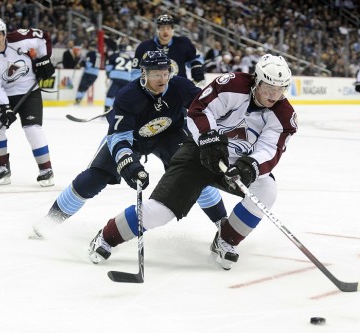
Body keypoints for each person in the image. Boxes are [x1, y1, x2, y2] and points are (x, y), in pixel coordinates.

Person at [88, 54, 297, 270]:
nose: (274, 95)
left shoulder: (284, 116)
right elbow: (200, 109)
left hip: (235, 164)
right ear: (257, 81)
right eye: (269, 88)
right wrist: (208, 138)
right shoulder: (231, 85)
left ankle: (225, 240)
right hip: (198, 154)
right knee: (159, 213)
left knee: (267, 189)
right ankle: (106, 237)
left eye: (280, 89)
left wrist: (250, 166)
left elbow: (270, 149)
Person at [31, 51, 226, 239]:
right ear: (144, 74)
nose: (163, 79)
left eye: (166, 73)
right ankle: (51, 220)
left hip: (169, 134)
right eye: (157, 74)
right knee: (95, 178)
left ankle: (223, 225)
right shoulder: (128, 95)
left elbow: (207, 107)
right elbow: (119, 137)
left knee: (194, 172)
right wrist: (128, 163)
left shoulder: (180, 86)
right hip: (131, 139)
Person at [0, 18, 56, 186]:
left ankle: (45, 169)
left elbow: (43, 37)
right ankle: (2, 168)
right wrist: (4, 107)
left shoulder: (18, 39)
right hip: (4, 95)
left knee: (32, 129)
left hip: (29, 92)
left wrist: (44, 59)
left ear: (5, 34)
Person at [131, 14, 205, 85]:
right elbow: (136, 71)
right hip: (154, 91)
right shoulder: (144, 46)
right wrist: (139, 88)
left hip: (180, 88)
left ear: (173, 30)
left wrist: (196, 64)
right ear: (157, 30)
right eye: (162, 28)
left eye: (168, 28)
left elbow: (196, 58)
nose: (166, 31)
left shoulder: (183, 43)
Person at [104, 44, 134, 111]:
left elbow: (108, 65)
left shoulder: (114, 55)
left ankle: (107, 109)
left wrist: (108, 74)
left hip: (116, 76)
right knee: (122, 95)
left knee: (110, 94)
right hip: (127, 78)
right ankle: (119, 110)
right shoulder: (130, 57)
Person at [74, 40, 101, 104]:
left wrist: (80, 65)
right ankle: (79, 99)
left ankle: (78, 100)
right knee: (85, 87)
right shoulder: (99, 54)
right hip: (95, 74)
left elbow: (88, 64)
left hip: (88, 73)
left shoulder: (90, 53)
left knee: (81, 87)